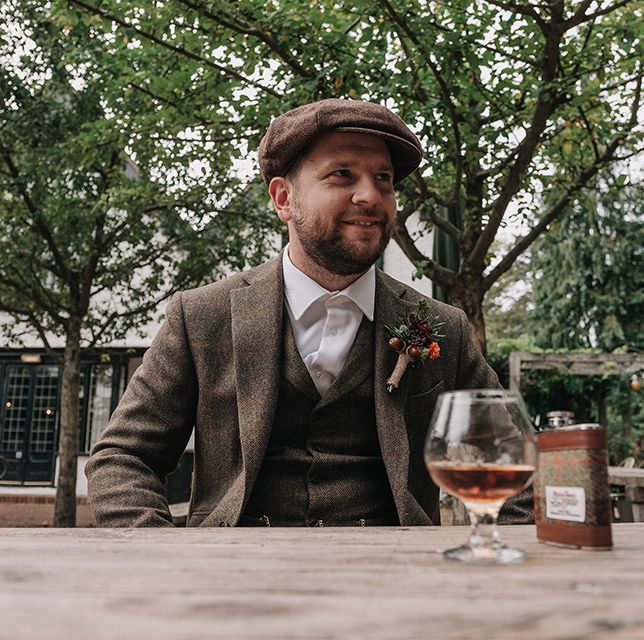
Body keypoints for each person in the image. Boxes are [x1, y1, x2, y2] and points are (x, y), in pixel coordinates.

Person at [86, 98, 533, 528]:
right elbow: (124, 458)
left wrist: (493, 562)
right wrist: (160, 555)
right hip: (232, 579)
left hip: (398, 580)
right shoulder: (202, 315)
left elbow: (514, 465)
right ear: (283, 199)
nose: (370, 196)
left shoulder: (444, 328)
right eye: (342, 175)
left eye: (383, 179)